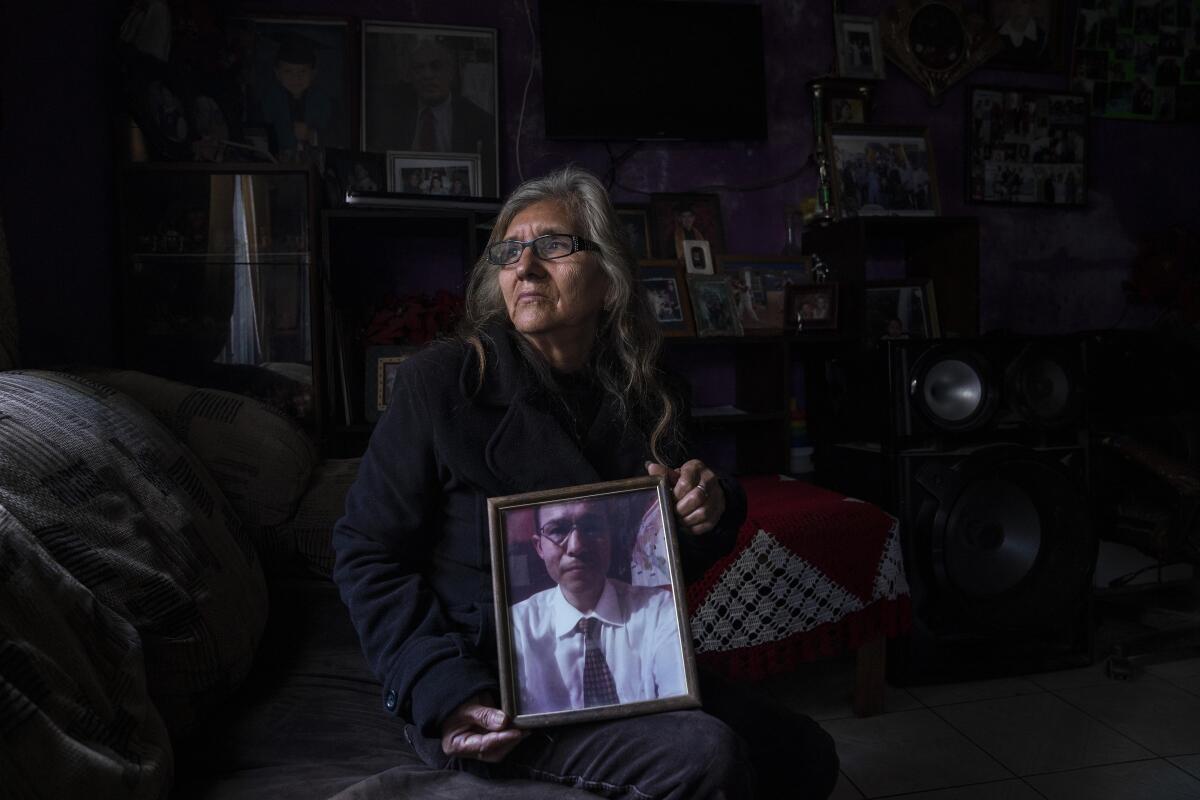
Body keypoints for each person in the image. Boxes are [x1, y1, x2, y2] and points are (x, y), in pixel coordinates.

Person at [332, 166, 838, 800]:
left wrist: (706, 506)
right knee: (706, 756)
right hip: (492, 683)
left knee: (806, 755)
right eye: (509, 251)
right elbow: (366, 552)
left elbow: (662, 565)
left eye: (553, 246)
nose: (525, 267)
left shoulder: (652, 391)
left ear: (610, 278)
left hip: (624, 662)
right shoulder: (442, 385)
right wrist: (442, 687)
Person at [509, 497, 685, 715]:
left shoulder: (659, 610)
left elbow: (681, 715)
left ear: (610, 537)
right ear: (539, 547)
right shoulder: (516, 625)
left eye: (591, 527)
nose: (576, 546)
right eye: (557, 530)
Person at [365, 36, 496, 195]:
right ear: (410, 76)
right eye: (419, 68)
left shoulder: (479, 121)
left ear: (451, 72)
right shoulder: (391, 117)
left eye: (436, 66)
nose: (427, 75)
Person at [258, 31, 334, 155]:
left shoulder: (324, 103)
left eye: (302, 72)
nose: (296, 78)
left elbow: (336, 136)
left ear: (313, 73)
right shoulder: (269, 102)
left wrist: (311, 135)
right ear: (277, 73)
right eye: (288, 71)